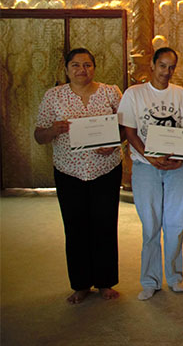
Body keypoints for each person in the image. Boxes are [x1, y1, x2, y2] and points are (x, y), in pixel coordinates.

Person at [34, 48, 123, 304]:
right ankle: (81, 284)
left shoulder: (110, 92)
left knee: (105, 224)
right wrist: (52, 130)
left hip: (105, 170)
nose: (81, 70)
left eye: (87, 65)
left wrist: (115, 143)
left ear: (94, 68)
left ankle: (105, 282)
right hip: (68, 171)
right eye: (75, 65)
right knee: (75, 227)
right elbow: (39, 136)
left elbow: (126, 127)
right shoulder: (53, 96)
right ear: (66, 69)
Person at [119, 47, 183, 300]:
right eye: (162, 65)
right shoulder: (134, 94)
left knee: (175, 223)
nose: (167, 72)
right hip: (145, 167)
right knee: (151, 224)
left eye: (171, 67)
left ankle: (175, 277)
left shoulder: (182, 95)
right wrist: (150, 156)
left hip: (177, 167)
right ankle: (150, 280)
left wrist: (180, 156)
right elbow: (130, 131)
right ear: (152, 65)